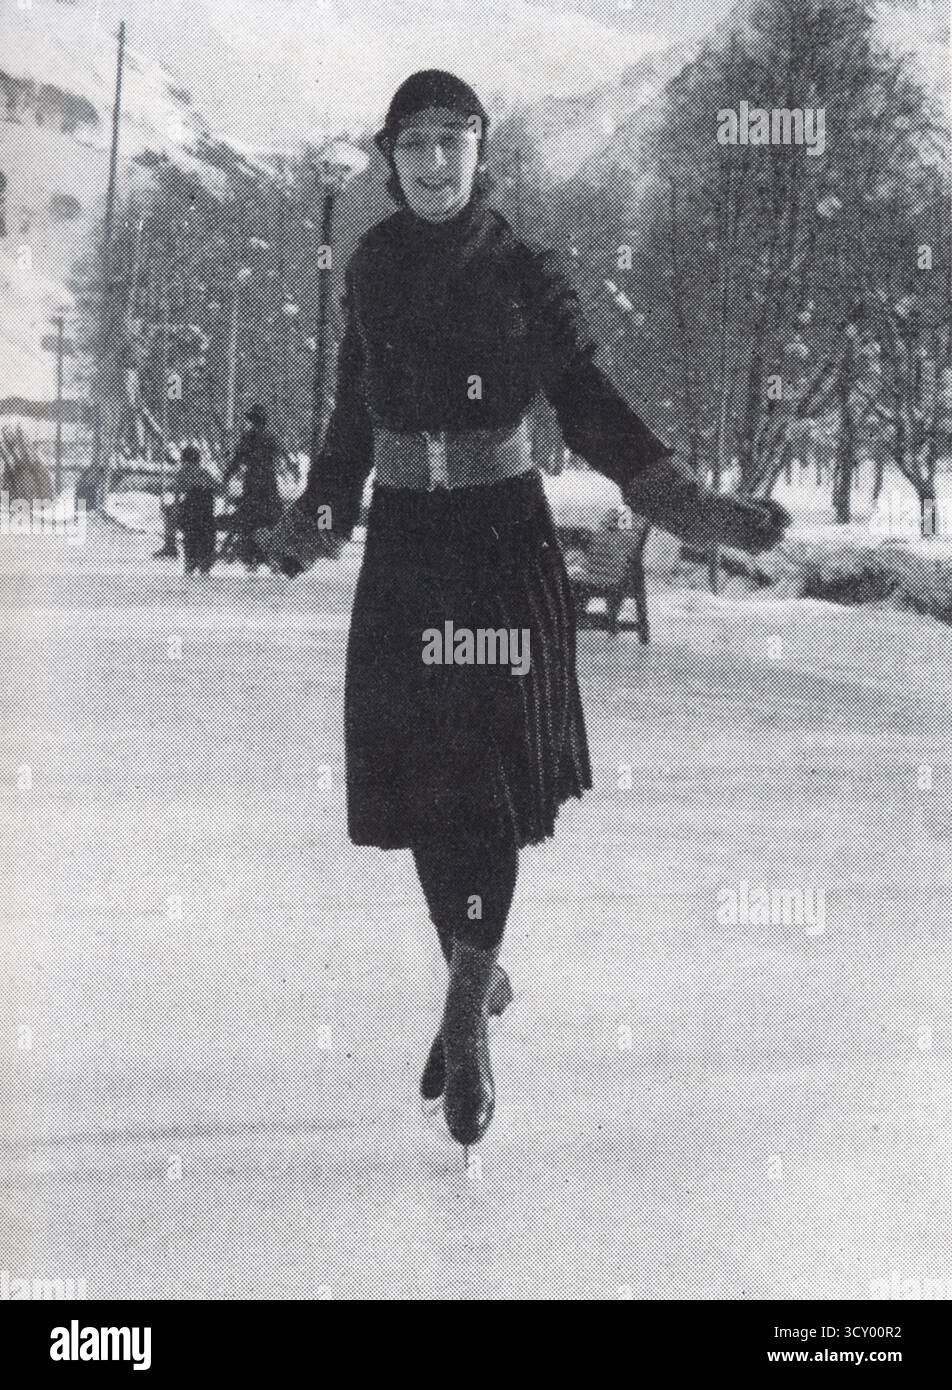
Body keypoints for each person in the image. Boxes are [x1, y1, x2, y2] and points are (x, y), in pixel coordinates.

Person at [261, 70, 790, 1153]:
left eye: (452, 140)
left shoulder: (521, 270)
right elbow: (352, 419)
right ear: (390, 156)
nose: (433, 161)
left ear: (480, 151)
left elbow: (586, 401)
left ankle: (464, 1011)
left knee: (489, 778)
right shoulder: (370, 267)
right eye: (413, 142)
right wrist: (315, 513)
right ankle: (479, 972)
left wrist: (680, 499)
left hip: (501, 543)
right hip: (408, 545)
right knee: (419, 779)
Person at [221, 405, 285, 571]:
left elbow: (237, 460)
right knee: (271, 521)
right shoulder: (272, 438)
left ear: (252, 421)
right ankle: (273, 559)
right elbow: (278, 458)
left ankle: (252, 559)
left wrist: (227, 476)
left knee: (250, 521)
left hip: (252, 485)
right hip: (269, 485)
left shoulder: (248, 438)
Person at [173, 445, 219, 574]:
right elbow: (217, 488)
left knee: (190, 536)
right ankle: (204, 562)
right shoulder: (204, 472)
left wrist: (178, 509)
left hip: (190, 510)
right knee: (206, 536)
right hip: (205, 510)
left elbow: (177, 491)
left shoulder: (182, 472)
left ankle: (190, 561)